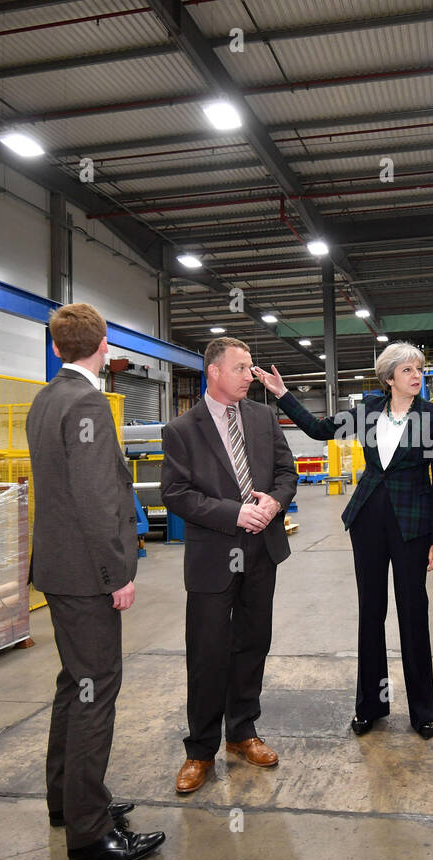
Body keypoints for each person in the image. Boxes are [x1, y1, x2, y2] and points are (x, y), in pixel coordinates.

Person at [26, 302, 166, 860]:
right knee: (95, 692)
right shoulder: (86, 401)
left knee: (73, 684)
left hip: (58, 570)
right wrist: (118, 572)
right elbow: (97, 499)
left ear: (58, 346)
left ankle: (69, 800)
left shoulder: (46, 398)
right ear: (103, 345)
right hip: (87, 575)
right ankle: (88, 833)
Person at [253, 343, 433, 739]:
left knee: (414, 614)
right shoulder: (368, 411)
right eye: (409, 370)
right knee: (371, 612)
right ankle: (370, 707)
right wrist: (282, 394)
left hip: (413, 525)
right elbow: (319, 430)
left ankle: (423, 710)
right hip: (369, 521)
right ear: (390, 377)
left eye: (420, 370)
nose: (417, 376)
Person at [160, 337, 298, 795]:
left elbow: (287, 472)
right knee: (207, 653)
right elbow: (177, 494)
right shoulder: (182, 429)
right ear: (214, 372)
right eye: (241, 368)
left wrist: (275, 503)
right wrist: (233, 512)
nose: (250, 376)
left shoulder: (261, 417)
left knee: (252, 644)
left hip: (262, 552)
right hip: (212, 558)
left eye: (251, 368)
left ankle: (242, 733)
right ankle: (199, 750)